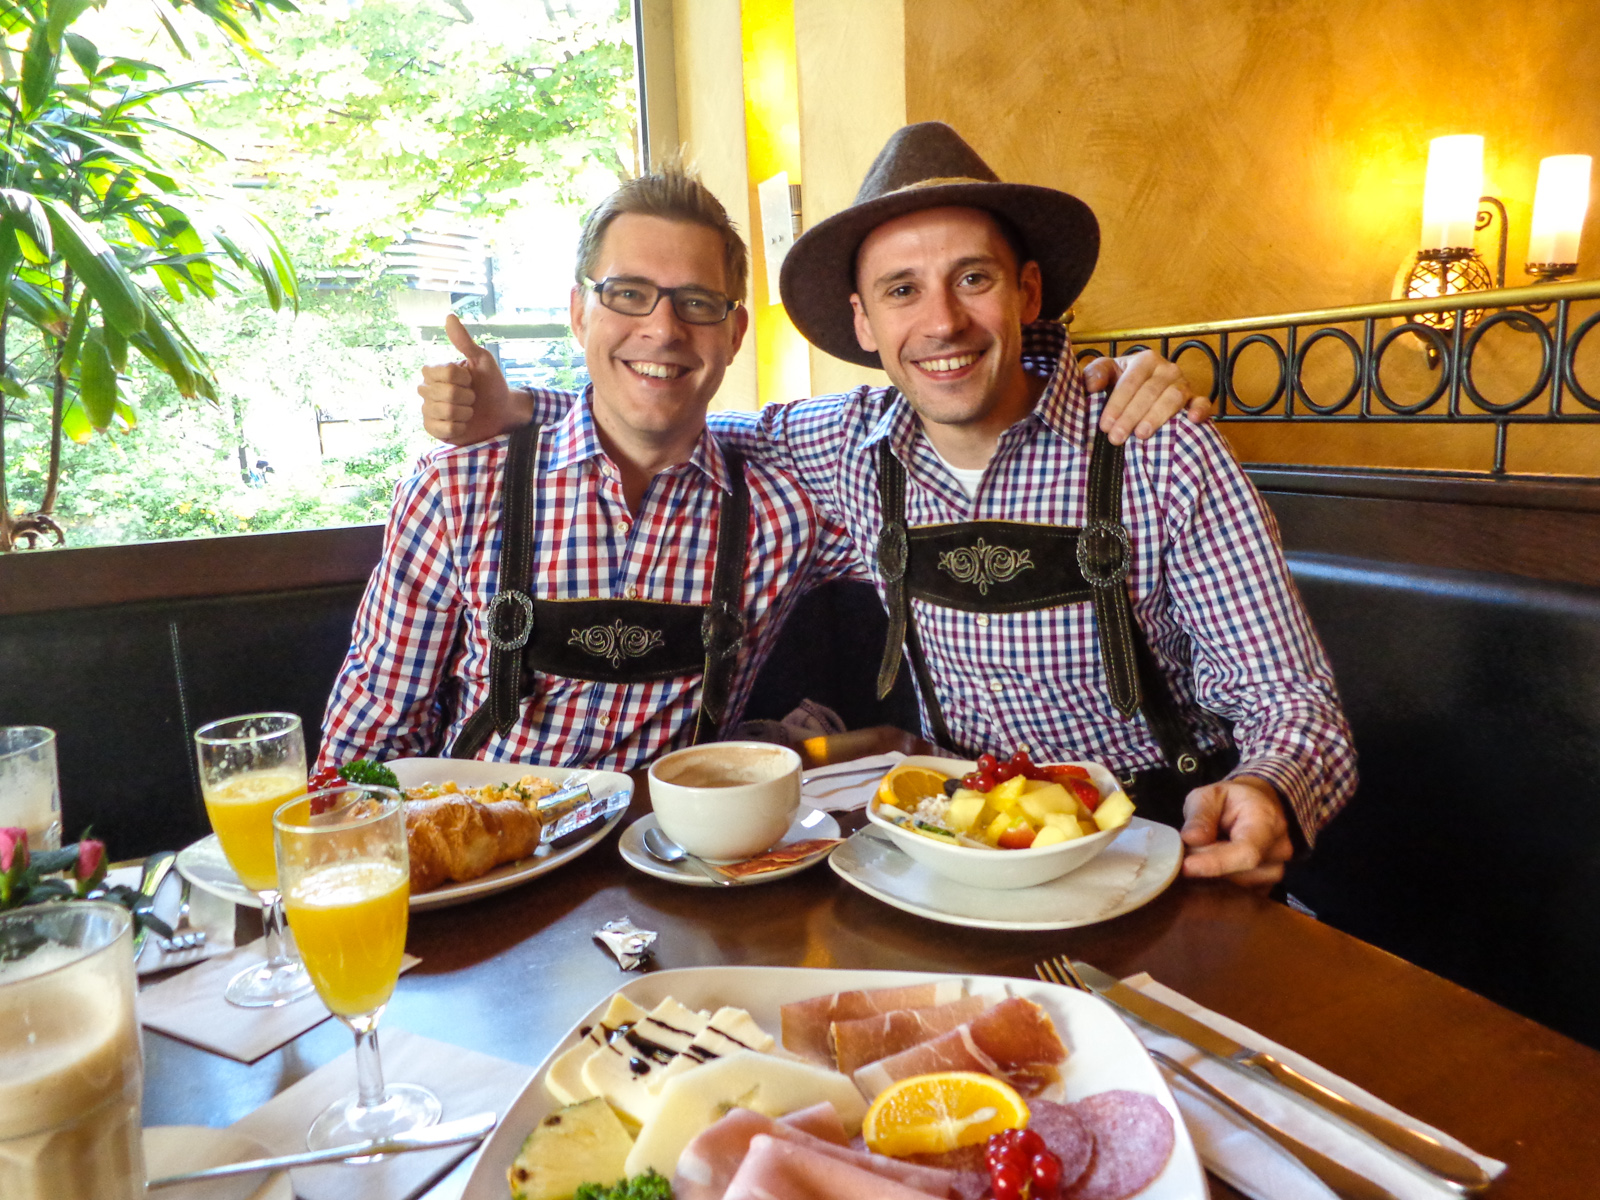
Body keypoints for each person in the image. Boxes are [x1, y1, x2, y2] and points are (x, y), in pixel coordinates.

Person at [421, 125, 1349, 887]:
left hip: (1153, 847)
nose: (941, 322)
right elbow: (664, 404)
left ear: (1027, 292)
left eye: (973, 278)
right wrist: (523, 410)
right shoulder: (844, 448)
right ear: (864, 321)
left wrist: (1270, 789)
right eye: (902, 290)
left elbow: (1291, 700)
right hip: (957, 852)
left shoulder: (1156, 445)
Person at [319, 165, 862, 771]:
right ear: (579, 314)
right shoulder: (455, 491)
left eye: (697, 302)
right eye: (628, 294)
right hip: (483, 826)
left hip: (676, 830)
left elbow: (904, 436)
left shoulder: (788, 509)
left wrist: (522, 404)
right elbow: (372, 740)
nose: (663, 329)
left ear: (734, 334)